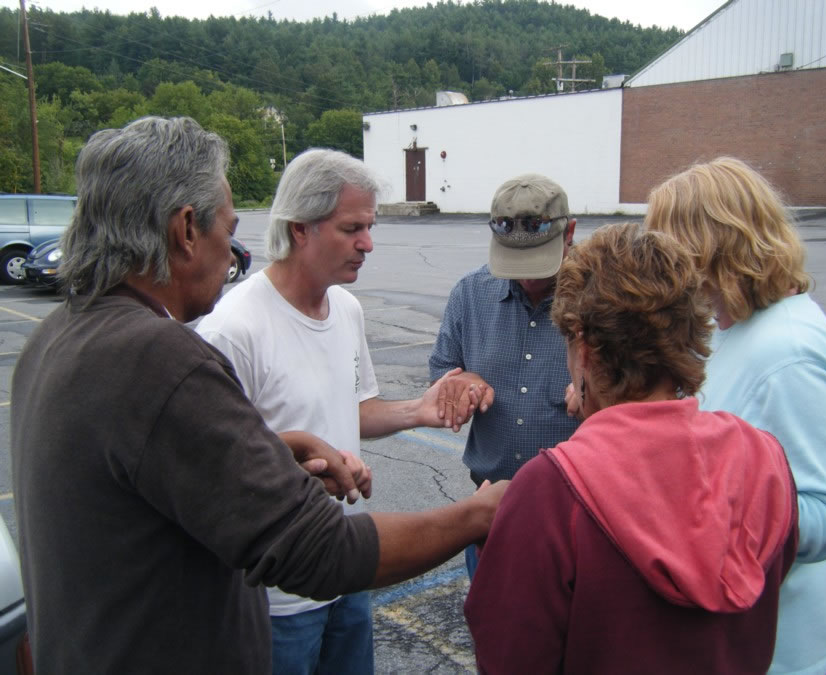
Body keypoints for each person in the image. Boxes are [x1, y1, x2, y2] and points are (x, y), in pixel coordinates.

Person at [10, 116, 507, 674]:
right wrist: (477, 515)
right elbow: (318, 551)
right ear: (186, 229)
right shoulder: (159, 357)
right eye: (228, 228)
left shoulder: (58, 338)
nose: (234, 252)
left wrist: (275, 452)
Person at [464, 222, 800, 674]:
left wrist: (498, 543)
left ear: (583, 348)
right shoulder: (764, 458)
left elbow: (510, 656)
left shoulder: (551, 490)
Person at [196, 148, 474, 675]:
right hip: (277, 597)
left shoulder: (345, 309)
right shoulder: (232, 330)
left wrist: (420, 409)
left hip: (345, 571)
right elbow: (221, 475)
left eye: (369, 227)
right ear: (300, 228)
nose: (367, 244)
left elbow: (356, 408)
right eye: (352, 228)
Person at [644, 156, 826, 675]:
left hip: (777, 655)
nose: (663, 271)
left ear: (707, 247)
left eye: (668, 252)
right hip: (732, 639)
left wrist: (692, 507)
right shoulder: (734, 326)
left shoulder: (790, 353)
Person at [428, 174, 580, 576]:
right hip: (489, 517)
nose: (528, 277)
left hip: (578, 522)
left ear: (571, 234)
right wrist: (461, 382)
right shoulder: (471, 293)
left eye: (539, 263)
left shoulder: (605, 296)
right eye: (516, 262)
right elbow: (442, 372)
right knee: (493, 635)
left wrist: (601, 394)